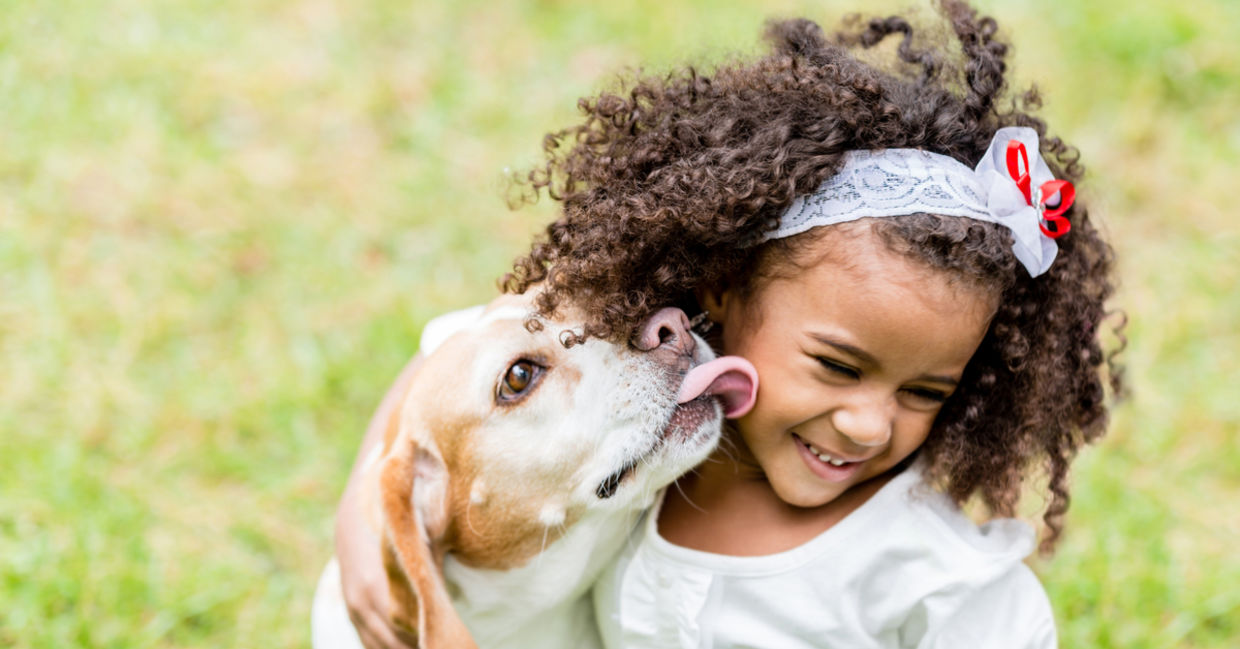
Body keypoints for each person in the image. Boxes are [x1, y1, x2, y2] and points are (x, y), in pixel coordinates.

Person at [335, 0, 1123, 646]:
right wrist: (373, 510)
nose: (867, 422)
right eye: (838, 365)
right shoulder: (660, 386)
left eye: (926, 391)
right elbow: (459, 353)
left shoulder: (927, 571)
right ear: (720, 285)